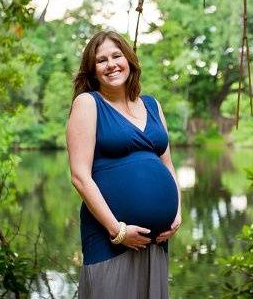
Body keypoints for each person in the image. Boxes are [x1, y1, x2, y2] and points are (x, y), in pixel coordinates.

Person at [66, 30, 182, 298]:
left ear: (129, 59)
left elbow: (168, 165)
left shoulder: (153, 105)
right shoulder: (88, 103)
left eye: (117, 56)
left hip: (155, 240)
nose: (111, 64)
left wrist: (177, 213)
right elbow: (80, 177)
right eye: (101, 60)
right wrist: (117, 231)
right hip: (112, 239)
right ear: (92, 70)